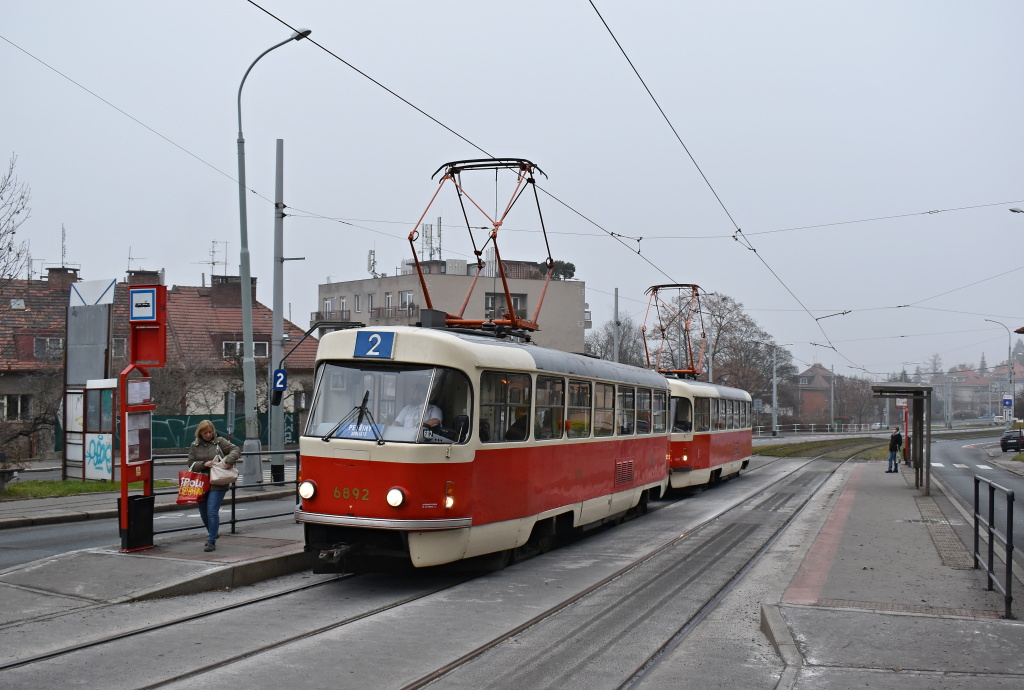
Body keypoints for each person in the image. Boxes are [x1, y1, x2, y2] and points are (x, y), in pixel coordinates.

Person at [188, 420, 241, 552]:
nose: (208, 435)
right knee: (203, 512)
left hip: (218, 482)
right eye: (205, 433)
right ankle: (213, 532)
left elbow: (235, 449)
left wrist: (229, 461)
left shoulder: (219, 441)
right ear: (200, 433)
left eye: (210, 432)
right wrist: (203, 464)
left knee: (212, 511)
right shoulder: (195, 445)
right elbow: (191, 463)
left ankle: (211, 541)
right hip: (202, 483)